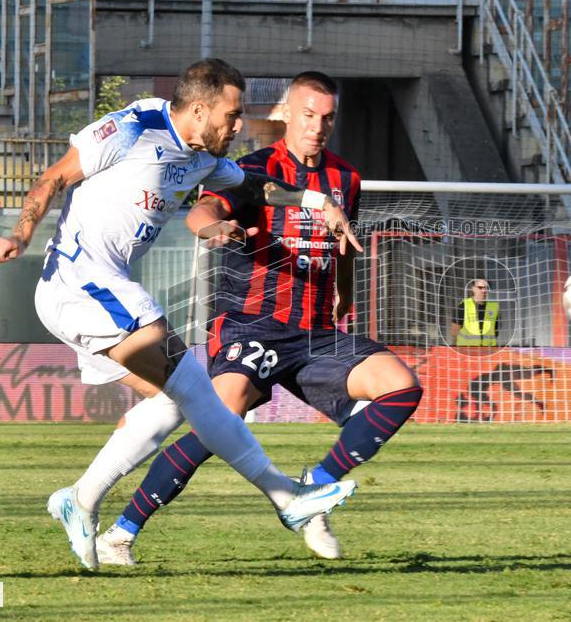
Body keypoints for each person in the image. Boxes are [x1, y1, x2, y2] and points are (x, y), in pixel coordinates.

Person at [0, 59, 362, 570]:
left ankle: (83, 498)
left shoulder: (203, 156)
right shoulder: (131, 127)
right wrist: (20, 234)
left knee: (175, 404)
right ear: (201, 109)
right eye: (232, 116)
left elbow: (256, 189)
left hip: (103, 291)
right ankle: (288, 500)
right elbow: (53, 178)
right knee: (194, 384)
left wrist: (317, 200)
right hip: (79, 283)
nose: (237, 127)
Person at [96, 71, 422, 564]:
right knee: (218, 419)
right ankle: (120, 533)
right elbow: (199, 213)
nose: (318, 126)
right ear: (287, 114)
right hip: (252, 323)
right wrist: (216, 228)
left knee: (401, 386)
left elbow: (345, 243)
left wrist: (346, 295)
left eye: (327, 118)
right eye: (308, 115)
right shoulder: (252, 169)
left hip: (315, 332)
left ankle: (314, 490)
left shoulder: (346, 178)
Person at [450, 278, 499, 346]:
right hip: (467, 350)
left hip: (489, 350)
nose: (484, 290)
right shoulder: (464, 306)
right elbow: (454, 331)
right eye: (480, 287)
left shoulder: (493, 307)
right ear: (473, 289)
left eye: (486, 288)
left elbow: (495, 331)